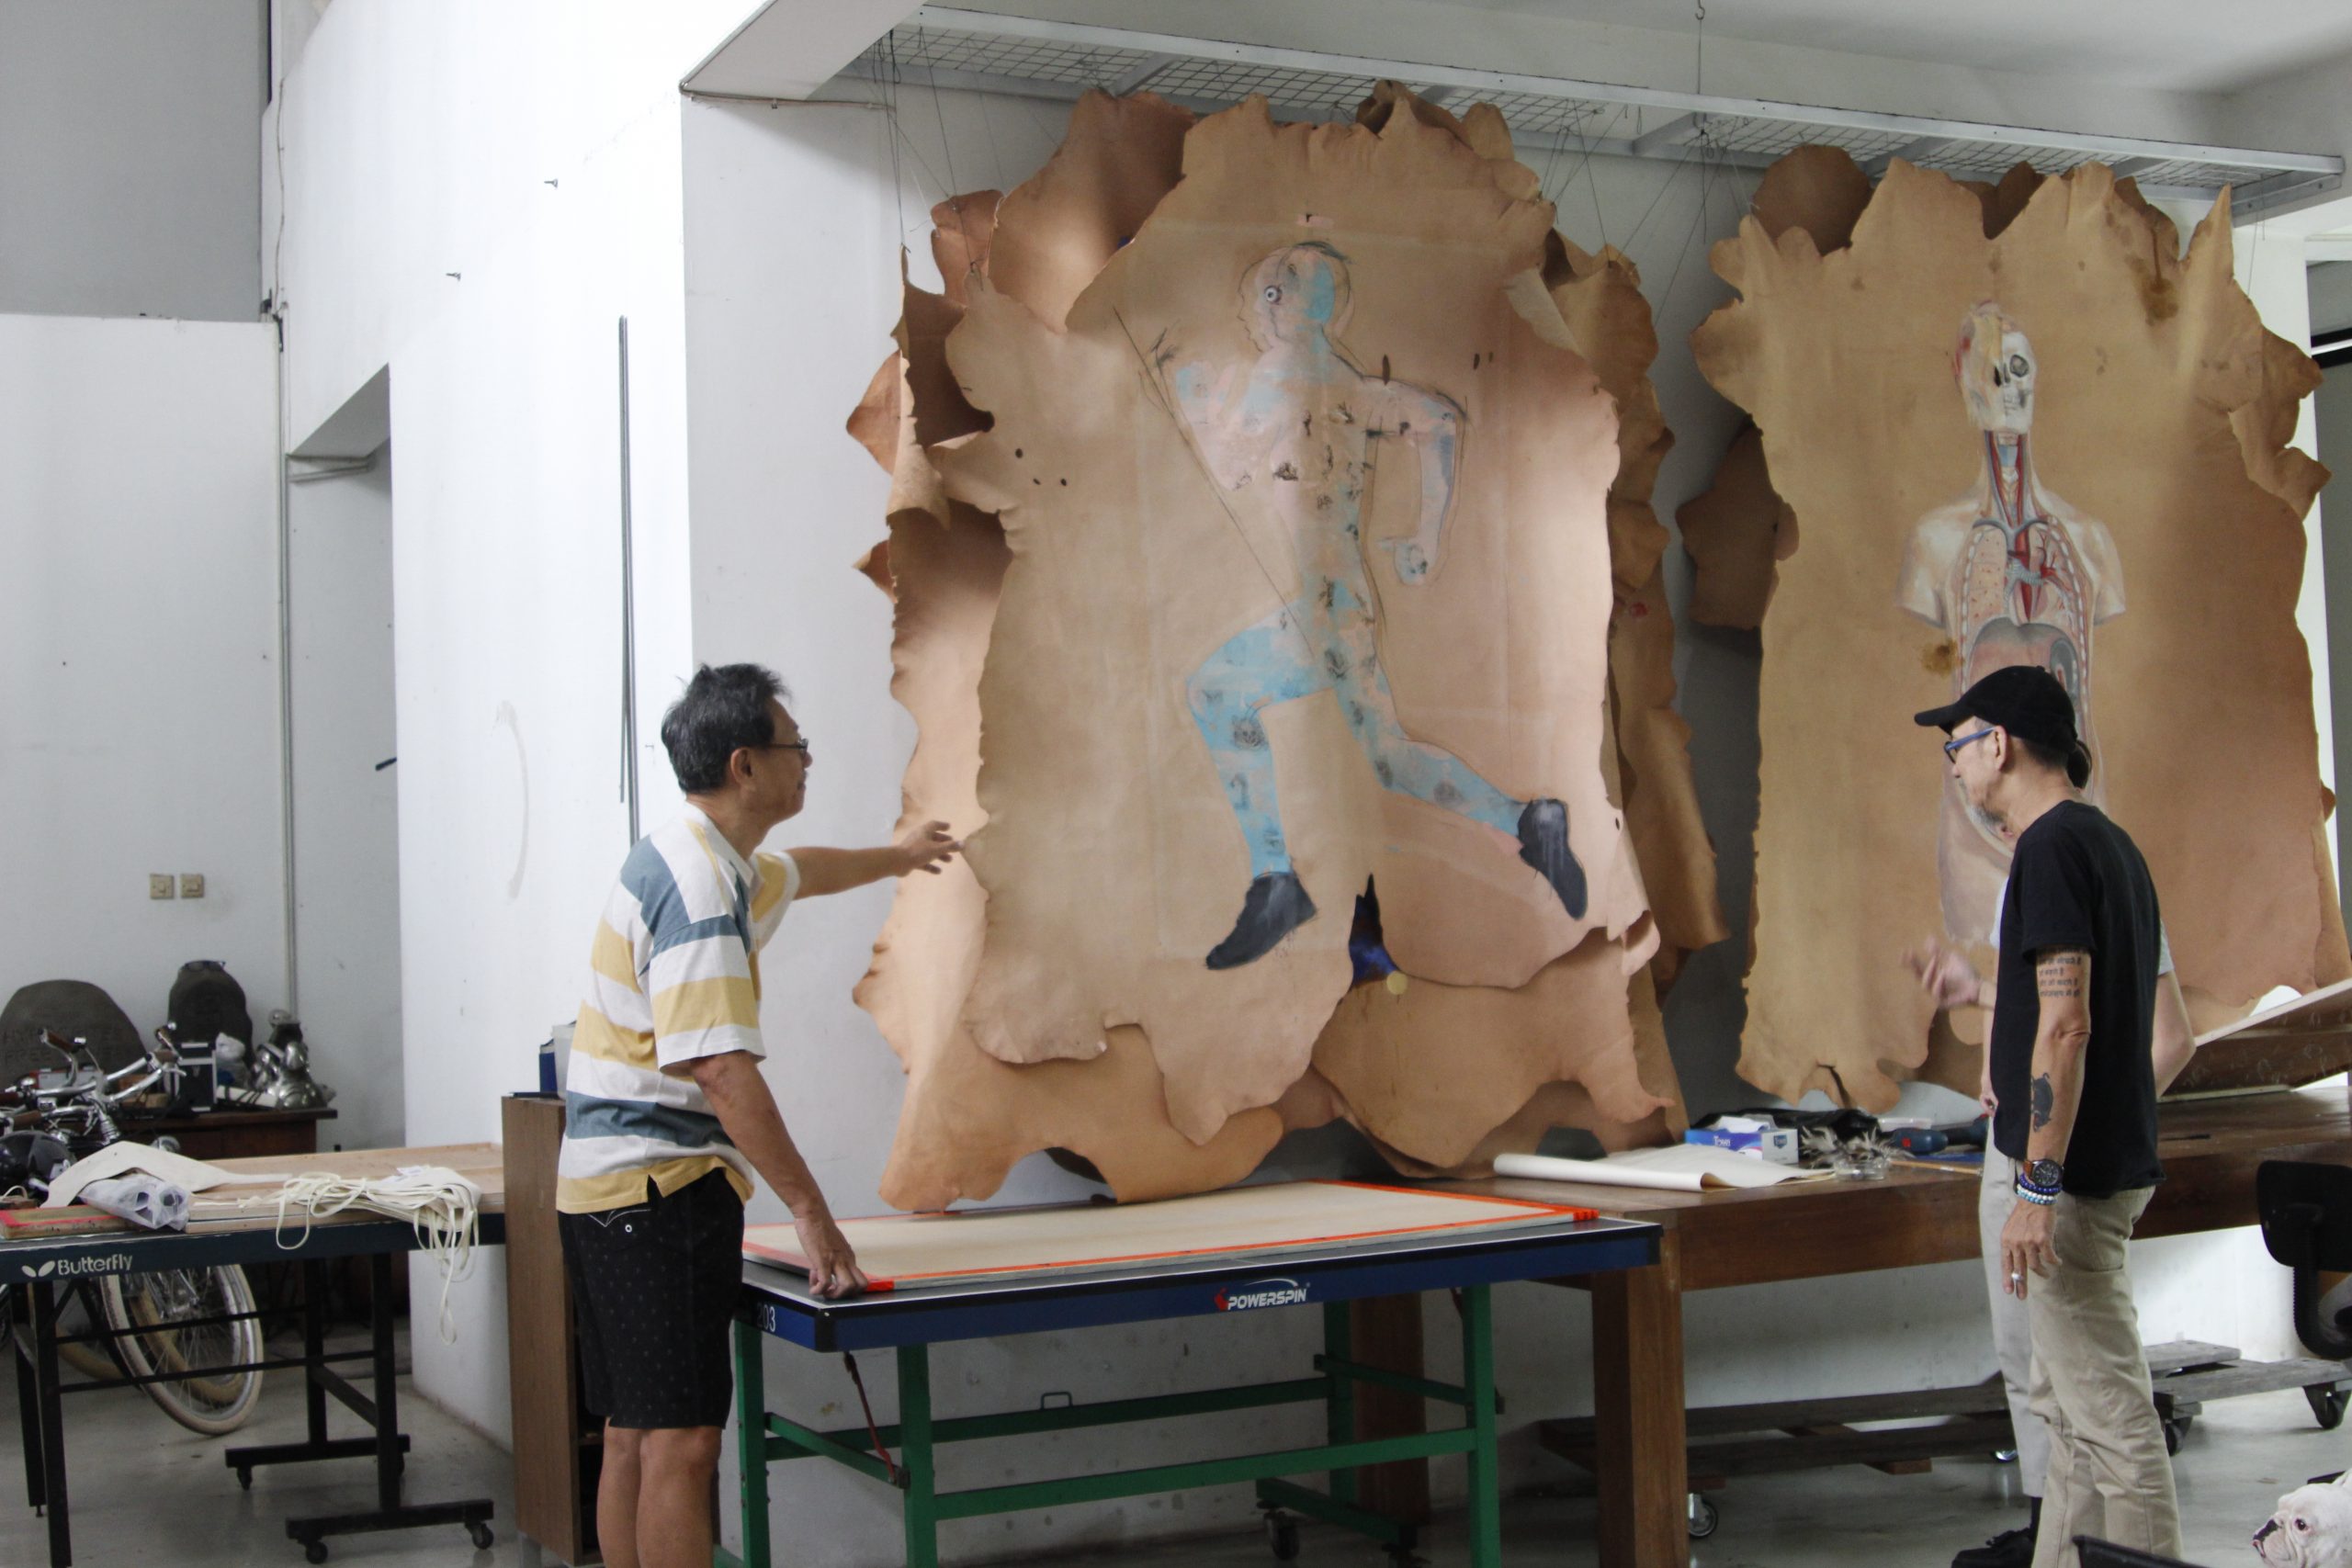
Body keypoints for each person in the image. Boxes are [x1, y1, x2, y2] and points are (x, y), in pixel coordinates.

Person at [554, 662, 959, 1568]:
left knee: (634, 1433)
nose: (806, 760)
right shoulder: (701, 888)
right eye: (794, 745)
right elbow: (720, 1069)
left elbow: (802, 872)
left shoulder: (702, 858)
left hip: (603, 1194)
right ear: (745, 764)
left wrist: (898, 856)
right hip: (659, 1194)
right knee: (683, 1444)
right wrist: (811, 1212)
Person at [1163, 241, 1586, 969]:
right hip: (1340, 599)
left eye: (1267, 295)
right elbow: (1442, 420)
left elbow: (1230, 467)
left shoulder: (1280, 373)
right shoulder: (1351, 385)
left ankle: (1277, 880)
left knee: (1220, 693)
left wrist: (1196, 403)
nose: (1259, 310)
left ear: (1281, 304)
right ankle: (1527, 820)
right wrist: (1426, 532)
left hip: (1325, 608)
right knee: (1387, 757)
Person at [1907, 665, 2196, 1568]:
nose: (1955, 765)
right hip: (2084, 1175)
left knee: (2109, 1422)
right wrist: (1982, 995)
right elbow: (2078, 1010)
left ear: (1999, 744)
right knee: (2067, 1419)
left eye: (1958, 745)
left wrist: (2036, 1187)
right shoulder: (2103, 845)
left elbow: (2066, 1026)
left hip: (2067, 1188)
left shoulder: (2051, 850)